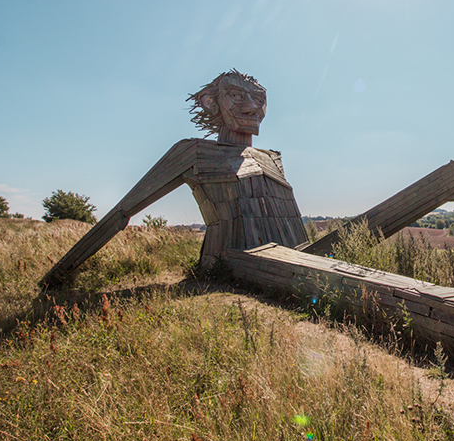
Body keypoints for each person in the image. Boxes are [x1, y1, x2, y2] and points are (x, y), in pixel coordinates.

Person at [40, 70, 306, 286]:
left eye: (259, 99)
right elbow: (123, 211)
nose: (252, 108)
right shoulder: (196, 152)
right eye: (236, 95)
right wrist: (61, 273)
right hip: (241, 262)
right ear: (210, 102)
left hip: (295, 255)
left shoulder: (272, 158)